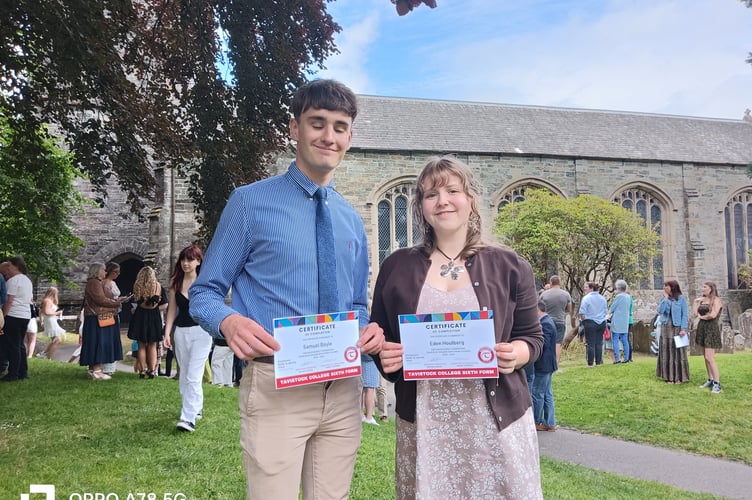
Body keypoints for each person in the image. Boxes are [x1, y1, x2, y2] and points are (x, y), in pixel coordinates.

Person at [189, 79, 384, 499]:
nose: (328, 136)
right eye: (317, 123)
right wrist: (227, 320)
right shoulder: (248, 203)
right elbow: (204, 293)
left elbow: (355, 305)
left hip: (343, 394)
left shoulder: (352, 220)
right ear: (294, 128)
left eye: (339, 126)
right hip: (277, 387)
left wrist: (368, 344)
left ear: (349, 137)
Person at [371, 156, 544, 499]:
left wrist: (517, 354)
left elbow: (533, 337)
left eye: (453, 190)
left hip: (494, 425)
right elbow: (383, 338)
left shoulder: (510, 266)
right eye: (431, 194)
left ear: (471, 200)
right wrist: (385, 358)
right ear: (421, 207)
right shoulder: (396, 267)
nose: (443, 200)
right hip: (426, 424)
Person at [163, 244, 212, 432]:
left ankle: (188, 418)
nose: (186, 263)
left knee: (194, 374)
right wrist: (167, 333)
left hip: (202, 332)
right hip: (181, 332)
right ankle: (195, 407)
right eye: (183, 259)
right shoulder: (176, 282)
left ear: (198, 261)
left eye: (190, 259)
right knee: (185, 374)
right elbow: (172, 310)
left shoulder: (205, 282)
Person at [81, 263, 129, 380]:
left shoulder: (93, 283)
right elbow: (100, 300)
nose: (105, 272)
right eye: (103, 270)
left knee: (94, 342)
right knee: (98, 342)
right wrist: (117, 302)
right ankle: (97, 370)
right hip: (95, 318)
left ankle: (93, 370)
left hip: (93, 317)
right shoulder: (94, 282)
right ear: (97, 270)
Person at [127, 266, 167, 378]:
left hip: (140, 315)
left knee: (141, 345)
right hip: (154, 315)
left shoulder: (137, 286)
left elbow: (137, 301)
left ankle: (142, 370)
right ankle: (152, 370)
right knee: (152, 345)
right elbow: (161, 303)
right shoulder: (157, 286)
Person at [0, 257, 34, 381]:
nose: (7, 268)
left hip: (13, 315)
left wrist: (2, 317)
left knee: (12, 346)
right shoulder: (27, 280)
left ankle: (13, 373)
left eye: (9, 265)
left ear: (16, 266)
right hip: (24, 315)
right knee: (19, 345)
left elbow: (9, 301)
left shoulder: (13, 281)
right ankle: (23, 372)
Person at [656, 279, 690, 384]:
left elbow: (684, 314)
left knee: (678, 352)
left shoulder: (681, 299)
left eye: (667, 286)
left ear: (672, 287)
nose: (664, 288)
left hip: (677, 327)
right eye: (664, 286)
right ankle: (668, 377)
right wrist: (665, 299)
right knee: (666, 351)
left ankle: (679, 377)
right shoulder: (664, 298)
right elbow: (660, 311)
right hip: (666, 327)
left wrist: (683, 329)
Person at [693, 281, 723, 393]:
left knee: (710, 358)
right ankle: (710, 379)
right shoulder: (702, 300)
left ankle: (717, 384)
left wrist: (702, 318)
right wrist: (696, 302)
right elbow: (695, 314)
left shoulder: (716, 300)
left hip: (711, 329)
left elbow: (713, 315)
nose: (703, 288)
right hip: (702, 329)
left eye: (705, 287)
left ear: (711, 288)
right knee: (705, 357)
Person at [533, 300, 558, 432]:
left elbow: (544, 344)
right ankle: (549, 422)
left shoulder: (545, 324)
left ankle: (537, 421)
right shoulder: (548, 321)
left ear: (538, 310)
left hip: (543, 365)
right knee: (547, 393)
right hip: (548, 364)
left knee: (538, 393)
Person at [539, 274, 573, 364]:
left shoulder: (544, 294)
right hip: (560, 321)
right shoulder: (566, 294)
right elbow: (569, 309)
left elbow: (539, 308)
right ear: (559, 283)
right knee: (558, 343)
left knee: (545, 341)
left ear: (551, 283)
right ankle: (556, 363)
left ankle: (545, 361)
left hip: (546, 321)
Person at [579, 282, 608, 367]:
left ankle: (590, 363)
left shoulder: (586, 298)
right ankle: (598, 362)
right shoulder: (603, 298)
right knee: (599, 342)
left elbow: (582, 312)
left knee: (590, 343)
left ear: (591, 288)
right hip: (601, 322)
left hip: (590, 321)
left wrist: (583, 320)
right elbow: (606, 311)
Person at [101, 262, 122, 375]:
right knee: (109, 337)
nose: (118, 274)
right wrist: (116, 302)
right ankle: (107, 366)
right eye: (116, 272)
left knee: (111, 337)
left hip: (114, 311)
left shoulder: (109, 283)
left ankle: (109, 365)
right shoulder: (107, 283)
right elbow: (107, 298)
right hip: (109, 313)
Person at [608, 279, 632, 364]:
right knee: (625, 340)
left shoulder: (619, 297)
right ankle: (626, 358)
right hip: (625, 321)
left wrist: (608, 314)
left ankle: (617, 359)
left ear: (618, 288)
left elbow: (612, 308)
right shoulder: (628, 297)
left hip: (617, 321)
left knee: (615, 339)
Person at [39, 286, 66, 360]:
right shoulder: (47, 301)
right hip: (50, 320)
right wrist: (57, 313)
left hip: (51, 320)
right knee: (58, 340)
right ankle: (48, 357)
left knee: (55, 340)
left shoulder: (48, 300)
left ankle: (44, 354)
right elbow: (46, 312)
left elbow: (42, 311)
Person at [361, 354, 380, 426]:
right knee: (370, 389)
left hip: (358, 357)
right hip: (371, 358)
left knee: (361, 389)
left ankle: (361, 415)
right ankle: (369, 417)